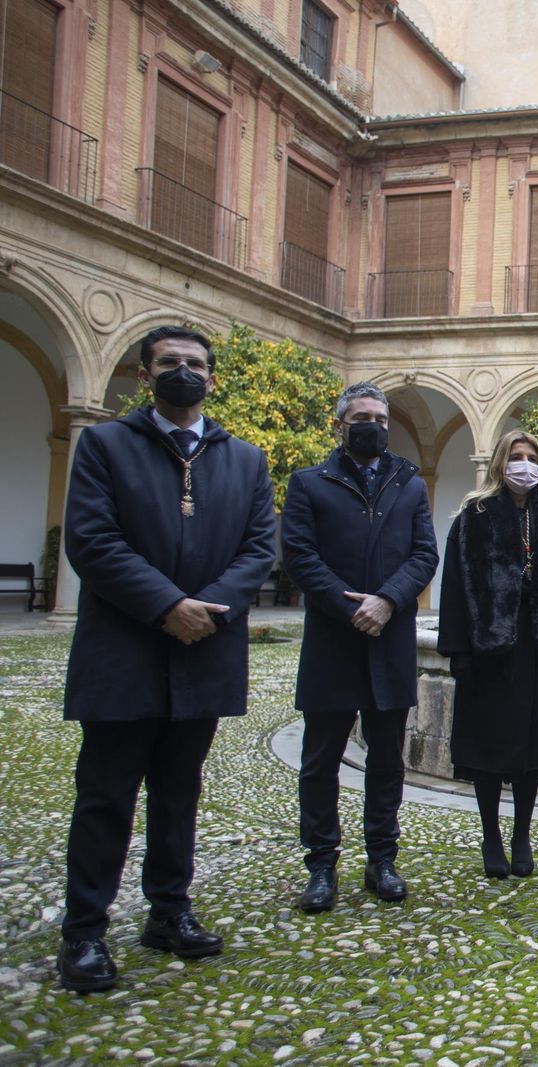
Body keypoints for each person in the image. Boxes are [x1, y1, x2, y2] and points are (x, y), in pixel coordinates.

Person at [56, 325, 277, 993]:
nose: (185, 372)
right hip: (124, 649)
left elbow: (259, 547)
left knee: (180, 791)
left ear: (213, 378)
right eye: (170, 363)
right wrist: (165, 606)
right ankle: (85, 932)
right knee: (105, 796)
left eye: (196, 364)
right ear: (145, 375)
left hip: (203, 650)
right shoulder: (104, 445)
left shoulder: (244, 459)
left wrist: (207, 606)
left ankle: (169, 911)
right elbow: (92, 540)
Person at [280, 382, 439, 912]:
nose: (371, 425)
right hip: (332, 639)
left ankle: (382, 858)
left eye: (378, 417)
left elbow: (423, 554)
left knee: (387, 759)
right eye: (360, 417)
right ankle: (321, 863)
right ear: (340, 424)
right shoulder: (309, 483)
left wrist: (388, 601)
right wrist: (350, 607)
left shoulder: (409, 484)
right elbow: (299, 556)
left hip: (389, 638)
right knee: (320, 760)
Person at [436, 431, 538, 878]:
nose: (525, 465)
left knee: (531, 751)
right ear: (501, 464)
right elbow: (454, 589)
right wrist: (458, 650)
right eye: (516, 457)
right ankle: (491, 837)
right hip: (490, 652)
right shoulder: (474, 517)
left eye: (532, 458)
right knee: (488, 749)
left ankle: (522, 835)